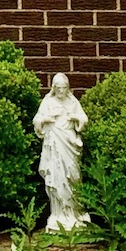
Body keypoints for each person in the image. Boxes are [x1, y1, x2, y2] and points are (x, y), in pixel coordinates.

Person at [33, 73, 90, 232]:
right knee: (55, 177)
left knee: (72, 175)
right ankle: (58, 215)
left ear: (68, 88)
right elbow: (37, 120)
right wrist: (46, 119)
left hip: (69, 143)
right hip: (54, 144)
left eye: (64, 88)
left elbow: (83, 119)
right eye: (58, 88)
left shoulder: (73, 101)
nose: (61, 91)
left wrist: (75, 117)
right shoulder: (48, 101)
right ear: (54, 88)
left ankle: (73, 213)